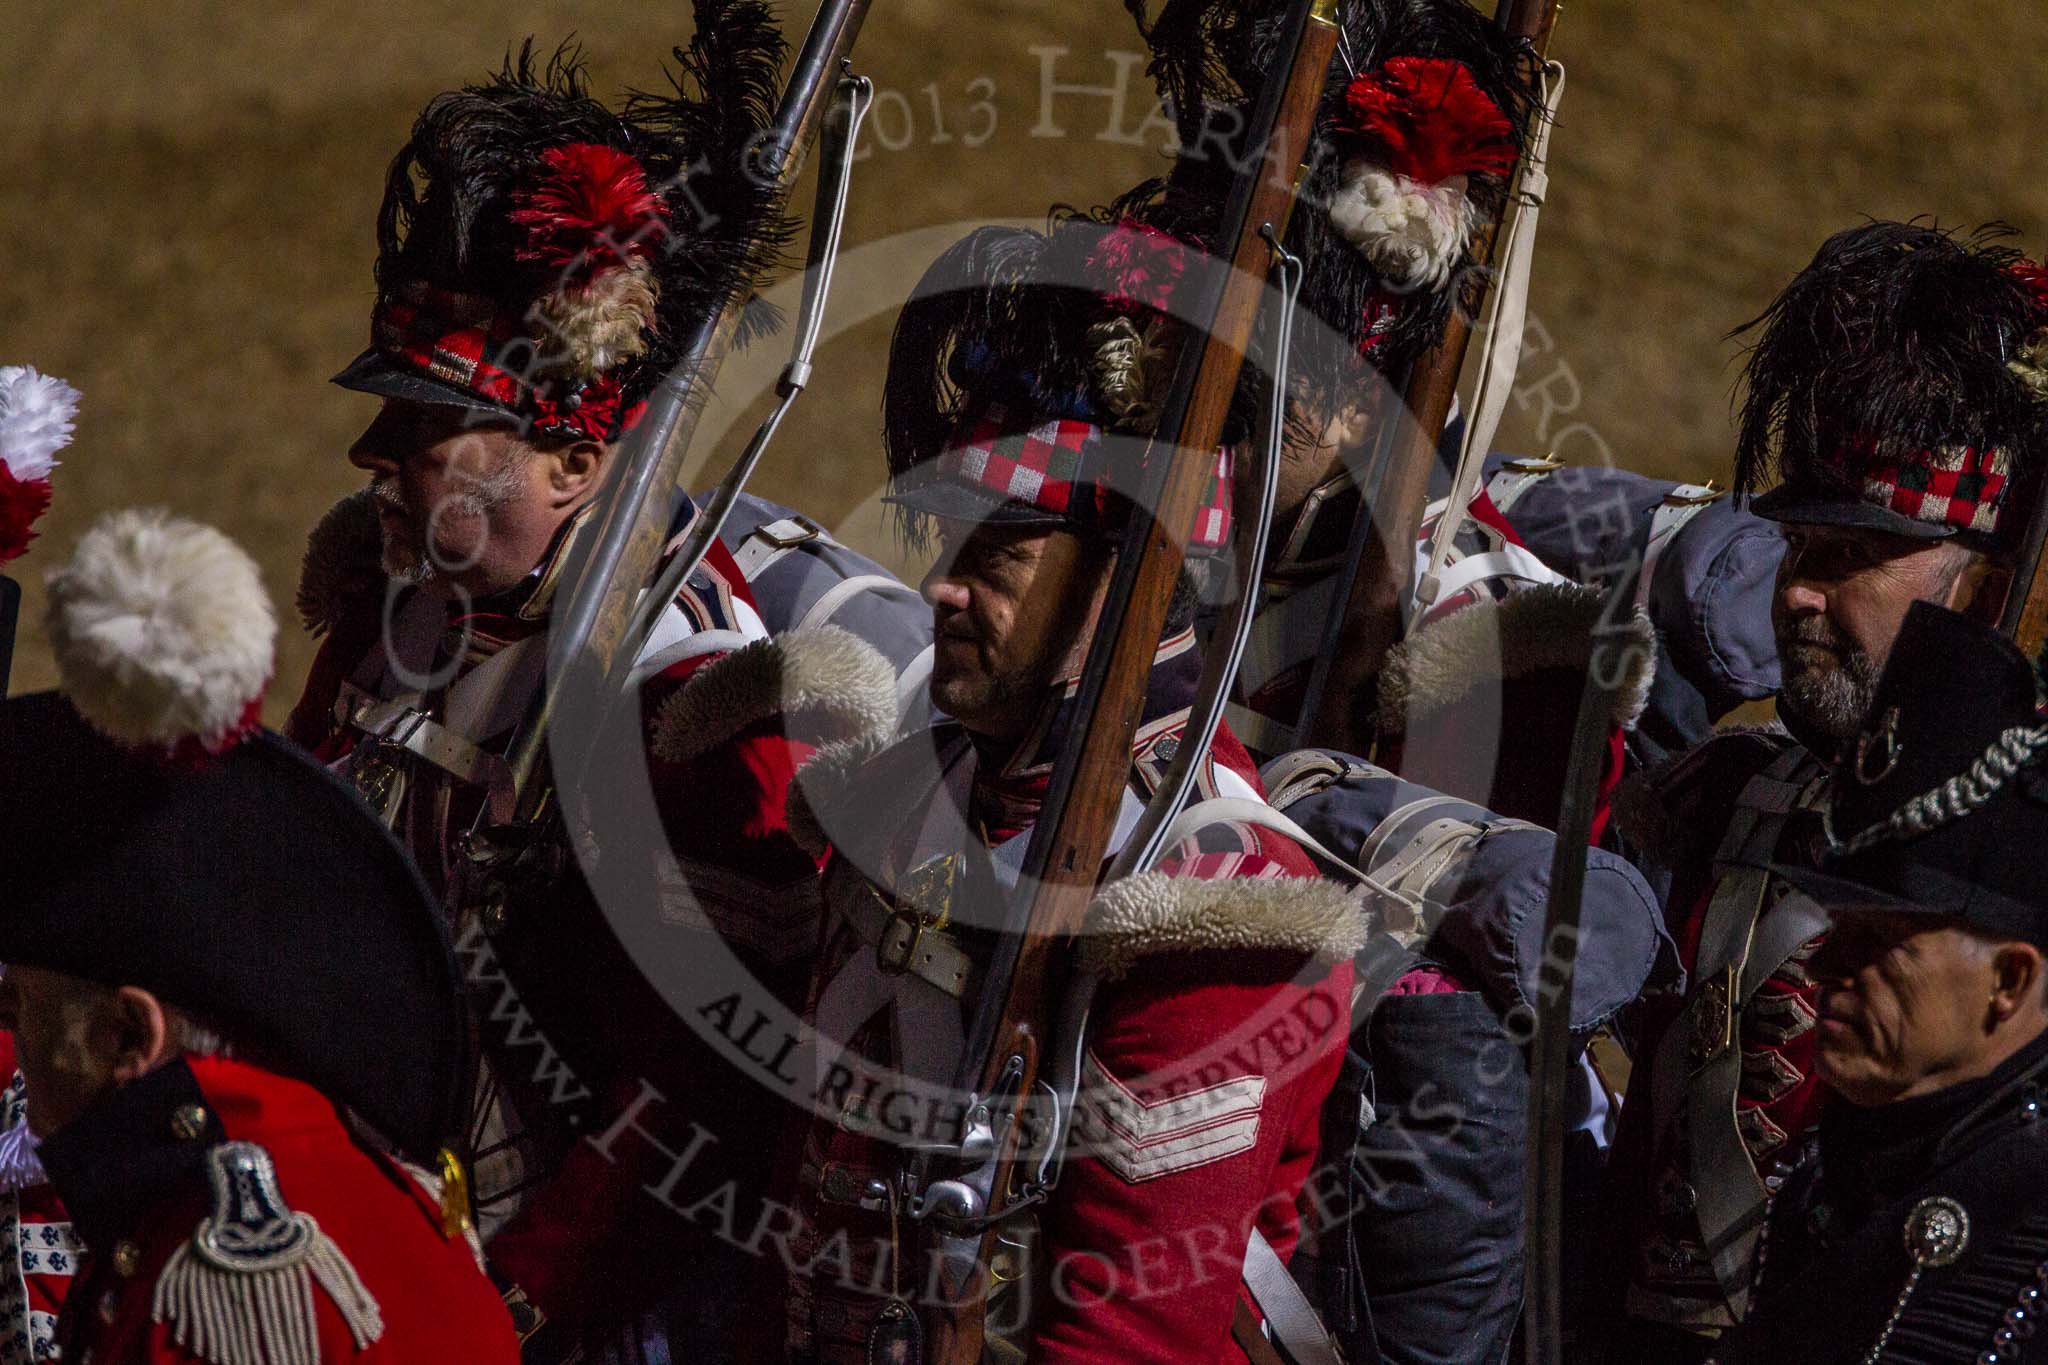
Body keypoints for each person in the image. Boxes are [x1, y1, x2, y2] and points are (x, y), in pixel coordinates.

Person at [284, 17, 917, 1359]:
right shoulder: (393, 620)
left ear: (573, 466)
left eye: (425, 431)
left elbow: (692, 1097)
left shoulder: (687, 712)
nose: (371, 454)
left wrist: (512, 1296)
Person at [778, 207, 1362, 1362]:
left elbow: (1127, 1338)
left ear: (1130, 580)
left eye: (995, 551)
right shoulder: (917, 790)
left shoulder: (1214, 901)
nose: (940, 590)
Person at [1595, 220, 2048, 1359]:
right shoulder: (1715, 799)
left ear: (1980, 585)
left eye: (1850, 560)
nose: (1798, 594)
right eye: (1801, 551)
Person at [0, 507, 518, 1363]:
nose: (11, 1025)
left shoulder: (224, 1279)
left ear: (130, 1034)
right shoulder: (292, 1184)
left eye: (23, 1005)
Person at [1707, 602, 2048, 1364]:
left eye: (1880, 944)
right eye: (1836, 926)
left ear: (2009, 980)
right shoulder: (1843, 1164)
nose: (1824, 967)